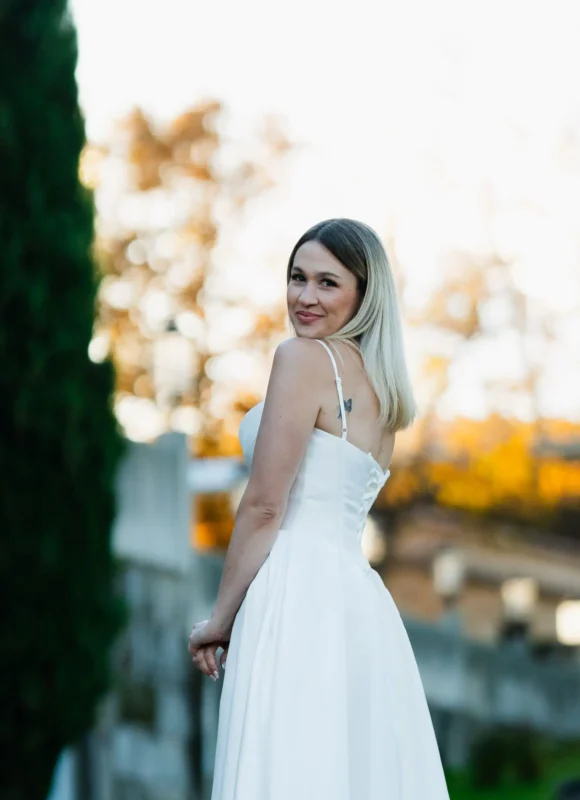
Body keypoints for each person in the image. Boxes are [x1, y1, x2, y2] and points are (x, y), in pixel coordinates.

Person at [188, 218, 450, 799]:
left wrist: (219, 621)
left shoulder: (304, 359)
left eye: (327, 283)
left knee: (288, 765)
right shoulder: (386, 392)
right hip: (356, 602)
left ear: (363, 292)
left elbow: (262, 506)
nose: (305, 297)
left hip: (292, 591)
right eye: (296, 278)